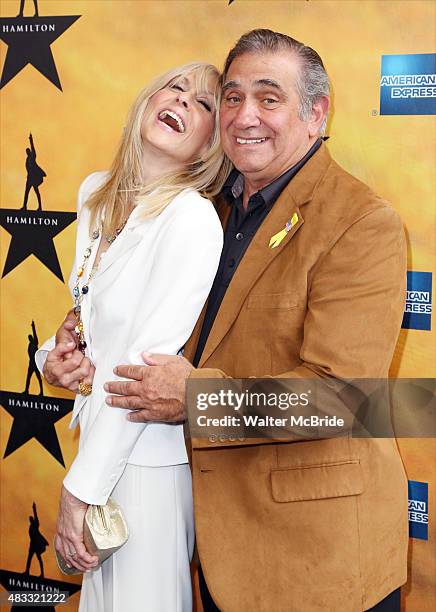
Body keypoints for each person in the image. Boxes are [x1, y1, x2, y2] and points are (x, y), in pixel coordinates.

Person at [55, 30, 408, 611]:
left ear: (316, 114)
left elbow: (342, 397)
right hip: (218, 546)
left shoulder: (360, 221)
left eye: (269, 98)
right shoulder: (203, 206)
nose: (246, 116)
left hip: (318, 558)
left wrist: (195, 399)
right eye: (233, 98)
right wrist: (83, 337)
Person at [36, 61, 231, 612]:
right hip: (94, 451)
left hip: (145, 469)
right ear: (148, 98)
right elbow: (88, 316)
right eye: (176, 88)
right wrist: (55, 355)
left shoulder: (192, 221)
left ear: (208, 147)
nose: (184, 102)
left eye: (204, 105)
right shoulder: (96, 194)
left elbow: (143, 372)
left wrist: (80, 489)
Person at [22, 133, 46, 211]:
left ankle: (40, 207)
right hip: (29, 178)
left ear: (30, 152)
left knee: (37, 193)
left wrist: (31, 139)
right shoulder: (27, 160)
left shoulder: (33, 156)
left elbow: (33, 147)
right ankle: (24, 206)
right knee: (26, 193)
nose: (27, 152)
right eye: (26, 151)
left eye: (28, 151)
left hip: (34, 178)